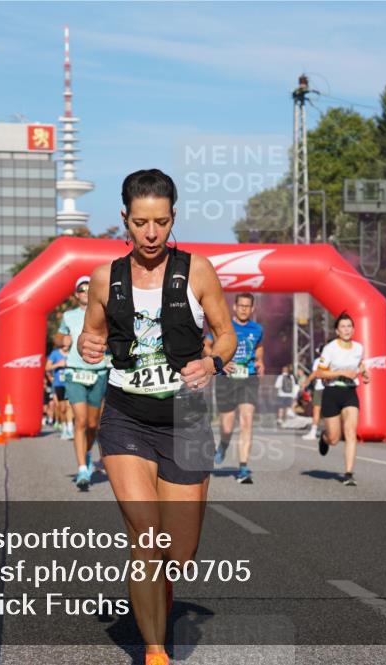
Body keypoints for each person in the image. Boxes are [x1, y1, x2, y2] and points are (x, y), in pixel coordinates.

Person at [77, 168, 236, 665]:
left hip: (186, 421)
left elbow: (226, 336)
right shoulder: (105, 278)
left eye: (161, 222)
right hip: (126, 418)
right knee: (146, 536)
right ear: (124, 218)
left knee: (179, 554)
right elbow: (91, 336)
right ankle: (154, 651)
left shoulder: (198, 271)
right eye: (141, 222)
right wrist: (87, 345)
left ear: (173, 218)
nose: (151, 233)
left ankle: (160, 593)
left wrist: (212, 363)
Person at [60, 275, 110, 490]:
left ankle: (87, 453)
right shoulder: (68, 316)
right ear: (76, 294)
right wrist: (62, 341)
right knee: (80, 421)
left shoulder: (105, 314)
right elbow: (59, 337)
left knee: (92, 424)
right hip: (75, 372)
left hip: (98, 372)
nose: (85, 293)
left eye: (89, 289)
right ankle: (82, 468)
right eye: (82, 289)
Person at [208, 293, 264, 484]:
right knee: (227, 426)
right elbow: (206, 345)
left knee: (247, 421)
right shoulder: (224, 328)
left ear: (252, 309)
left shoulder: (257, 329)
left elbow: (259, 347)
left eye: (247, 306)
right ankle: (223, 444)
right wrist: (219, 361)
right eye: (241, 305)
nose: (244, 309)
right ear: (234, 307)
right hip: (227, 379)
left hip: (249, 378)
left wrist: (260, 360)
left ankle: (243, 468)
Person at [316, 312, 370, 487]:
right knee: (334, 439)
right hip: (332, 392)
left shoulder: (359, 348)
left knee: (351, 432)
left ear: (353, 330)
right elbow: (320, 372)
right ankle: (324, 438)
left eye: (349, 326)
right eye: (343, 327)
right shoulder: (330, 348)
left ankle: (348, 474)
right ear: (337, 331)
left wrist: (364, 373)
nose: (346, 330)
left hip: (349, 392)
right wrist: (341, 372)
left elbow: (359, 364)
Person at [46, 333, 73, 439]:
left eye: (68, 340)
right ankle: (64, 428)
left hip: (71, 383)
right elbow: (47, 367)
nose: (67, 342)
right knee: (62, 408)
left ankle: (70, 429)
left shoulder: (72, 353)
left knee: (69, 406)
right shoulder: (55, 353)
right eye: (65, 340)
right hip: (59, 384)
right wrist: (58, 364)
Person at [301, 348, 325, 441]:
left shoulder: (319, 360)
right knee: (332, 411)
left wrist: (306, 382)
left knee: (317, 410)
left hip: (320, 387)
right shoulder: (335, 359)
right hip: (332, 387)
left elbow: (315, 373)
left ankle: (313, 432)